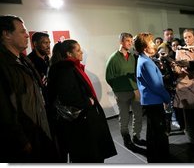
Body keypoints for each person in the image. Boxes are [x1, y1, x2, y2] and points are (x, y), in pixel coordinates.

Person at [47, 40, 117, 163]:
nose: (82, 52)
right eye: (78, 50)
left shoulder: (72, 67)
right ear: (69, 53)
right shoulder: (65, 70)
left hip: (85, 118)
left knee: (93, 153)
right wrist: (87, 102)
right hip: (82, 121)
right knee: (90, 155)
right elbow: (68, 96)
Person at [0, 15, 55, 162]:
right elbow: (4, 109)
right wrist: (21, 140)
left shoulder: (24, 60)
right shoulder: (4, 65)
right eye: (22, 31)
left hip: (40, 129)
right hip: (26, 139)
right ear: (6, 34)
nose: (26, 35)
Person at [105, 32, 146, 150]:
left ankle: (136, 136)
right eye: (128, 41)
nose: (130, 43)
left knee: (138, 114)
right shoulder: (113, 58)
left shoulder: (132, 56)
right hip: (122, 93)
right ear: (121, 42)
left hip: (135, 90)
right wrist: (119, 87)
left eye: (131, 41)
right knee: (124, 117)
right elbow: (109, 77)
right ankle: (126, 139)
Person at [134, 32, 171, 163]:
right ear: (144, 47)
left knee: (153, 131)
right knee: (159, 131)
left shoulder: (143, 59)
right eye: (150, 42)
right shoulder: (146, 62)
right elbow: (156, 86)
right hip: (154, 101)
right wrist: (167, 98)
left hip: (150, 101)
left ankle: (154, 156)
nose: (153, 44)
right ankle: (161, 158)